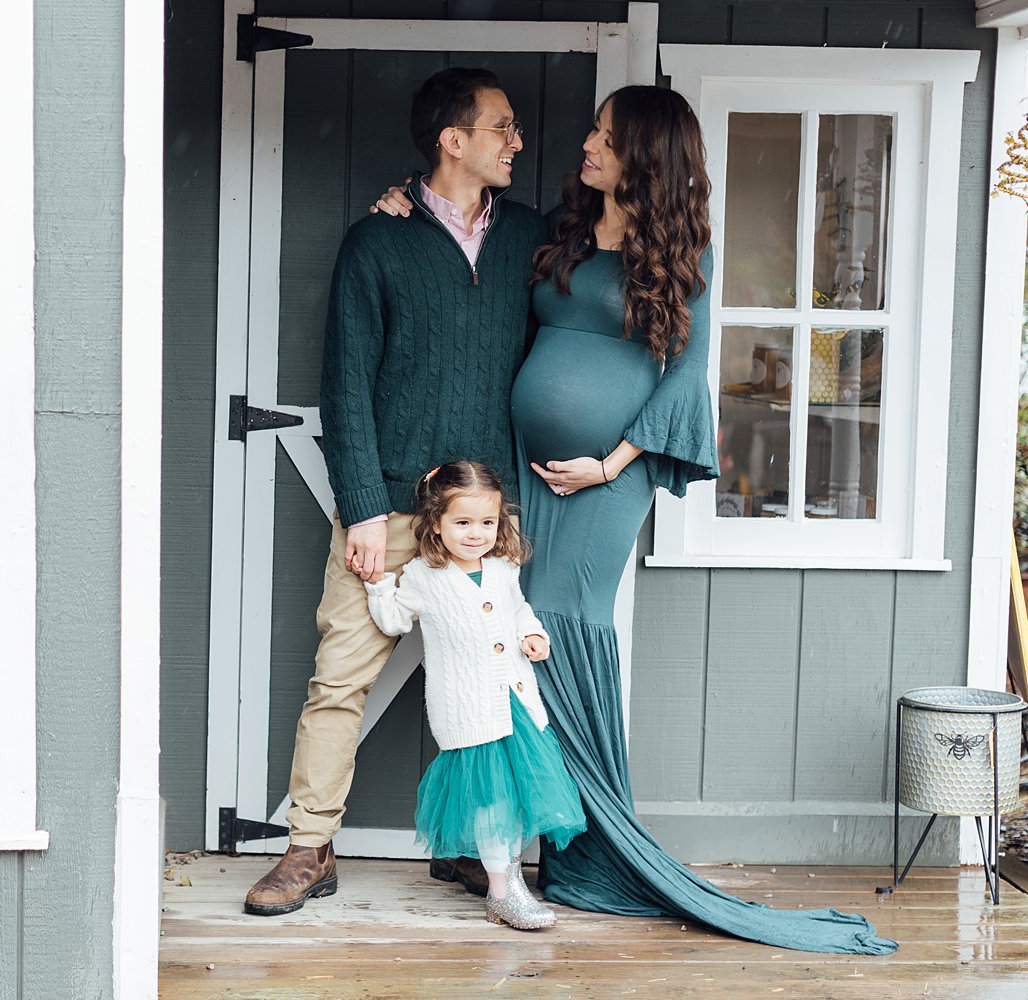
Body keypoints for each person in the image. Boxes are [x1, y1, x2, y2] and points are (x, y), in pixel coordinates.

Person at [370, 86, 897, 955]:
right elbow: (458, 213)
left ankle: (590, 846)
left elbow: (686, 379)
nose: (586, 143)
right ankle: (511, 841)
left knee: (566, 635)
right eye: (593, 130)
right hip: (523, 476)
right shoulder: (561, 230)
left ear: (645, 157)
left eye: (607, 137)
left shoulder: (689, 252)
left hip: (607, 482)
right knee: (509, 643)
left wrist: (608, 463)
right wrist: (402, 195)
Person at [242, 67, 548, 916]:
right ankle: (310, 847)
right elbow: (345, 384)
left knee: (485, 683)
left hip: (486, 512)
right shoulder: (377, 242)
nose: (515, 142)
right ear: (454, 142)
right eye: (501, 129)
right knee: (340, 679)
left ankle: (469, 845)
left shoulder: (531, 237)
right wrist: (365, 510)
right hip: (389, 508)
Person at [364, 461, 586, 929]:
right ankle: (503, 894)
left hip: (515, 702)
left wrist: (533, 634)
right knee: (491, 801)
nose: (475, 534)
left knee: (520, 797)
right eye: (462, 523)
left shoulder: (502, 566)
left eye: (486, 523)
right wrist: (378, 583)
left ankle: (511, 882)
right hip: (469, 710)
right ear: (436, 524)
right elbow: (394, 620)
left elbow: (518, 608)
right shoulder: (425, 575)